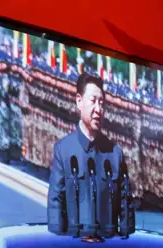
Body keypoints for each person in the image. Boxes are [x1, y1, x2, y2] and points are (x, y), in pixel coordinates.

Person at [47, 72, 130, 238]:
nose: (98, 109)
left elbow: (126, 207)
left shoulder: (114, 154)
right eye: (93, 101)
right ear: (79, 101)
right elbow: (55, 205)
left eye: (102, 103)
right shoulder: (63, 150)